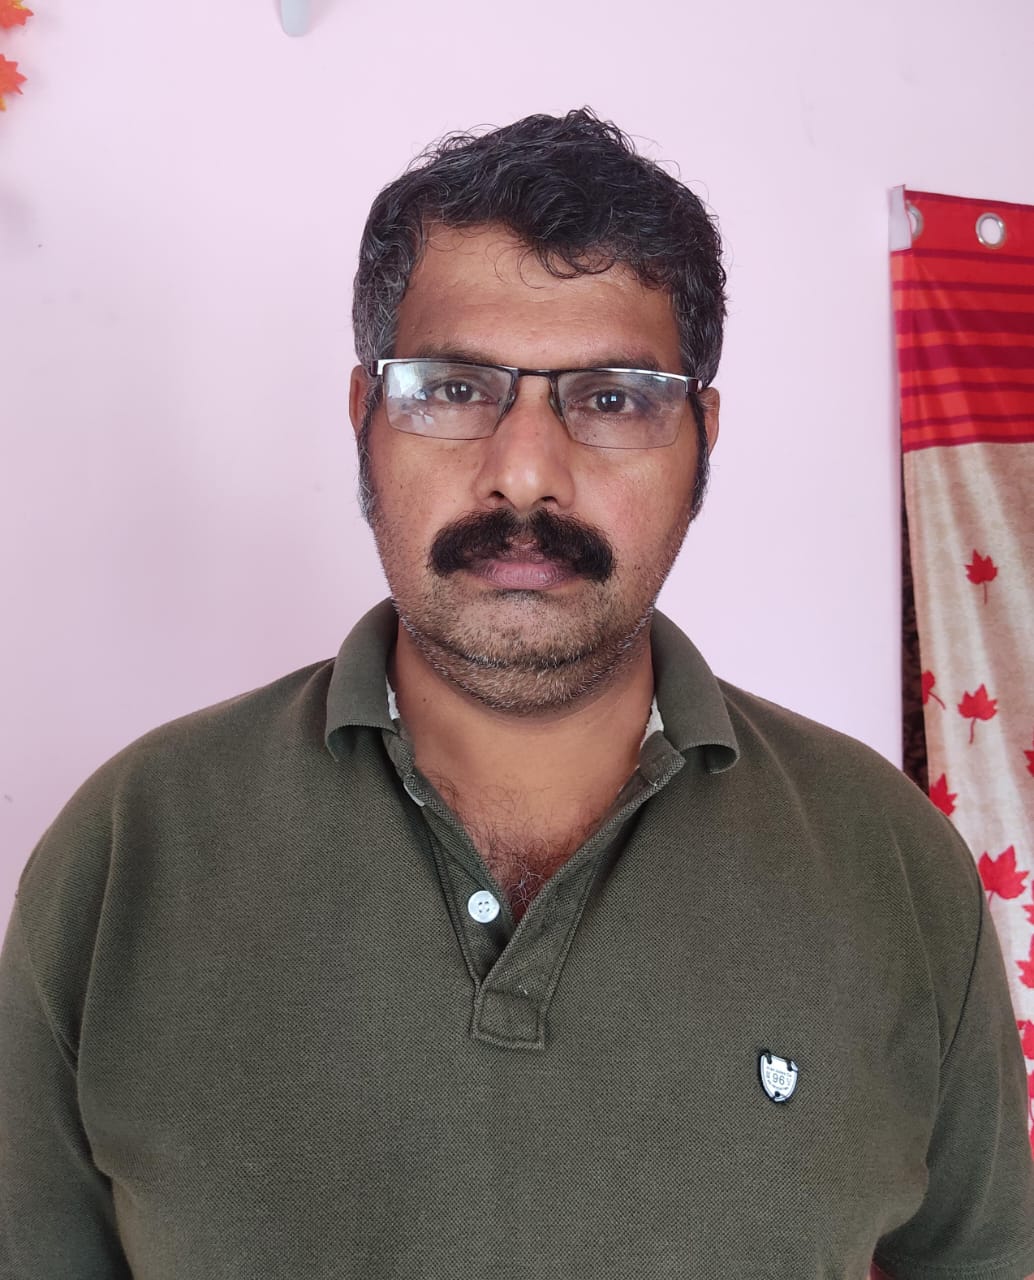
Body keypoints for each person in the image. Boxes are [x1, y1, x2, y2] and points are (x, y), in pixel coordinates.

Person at [1, 109, 1032, 1280]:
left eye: (612, 398)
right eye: (451, 387)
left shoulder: (888, 858)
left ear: (701, 437)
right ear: (363, 420)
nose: (526, 473)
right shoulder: (128, 847)